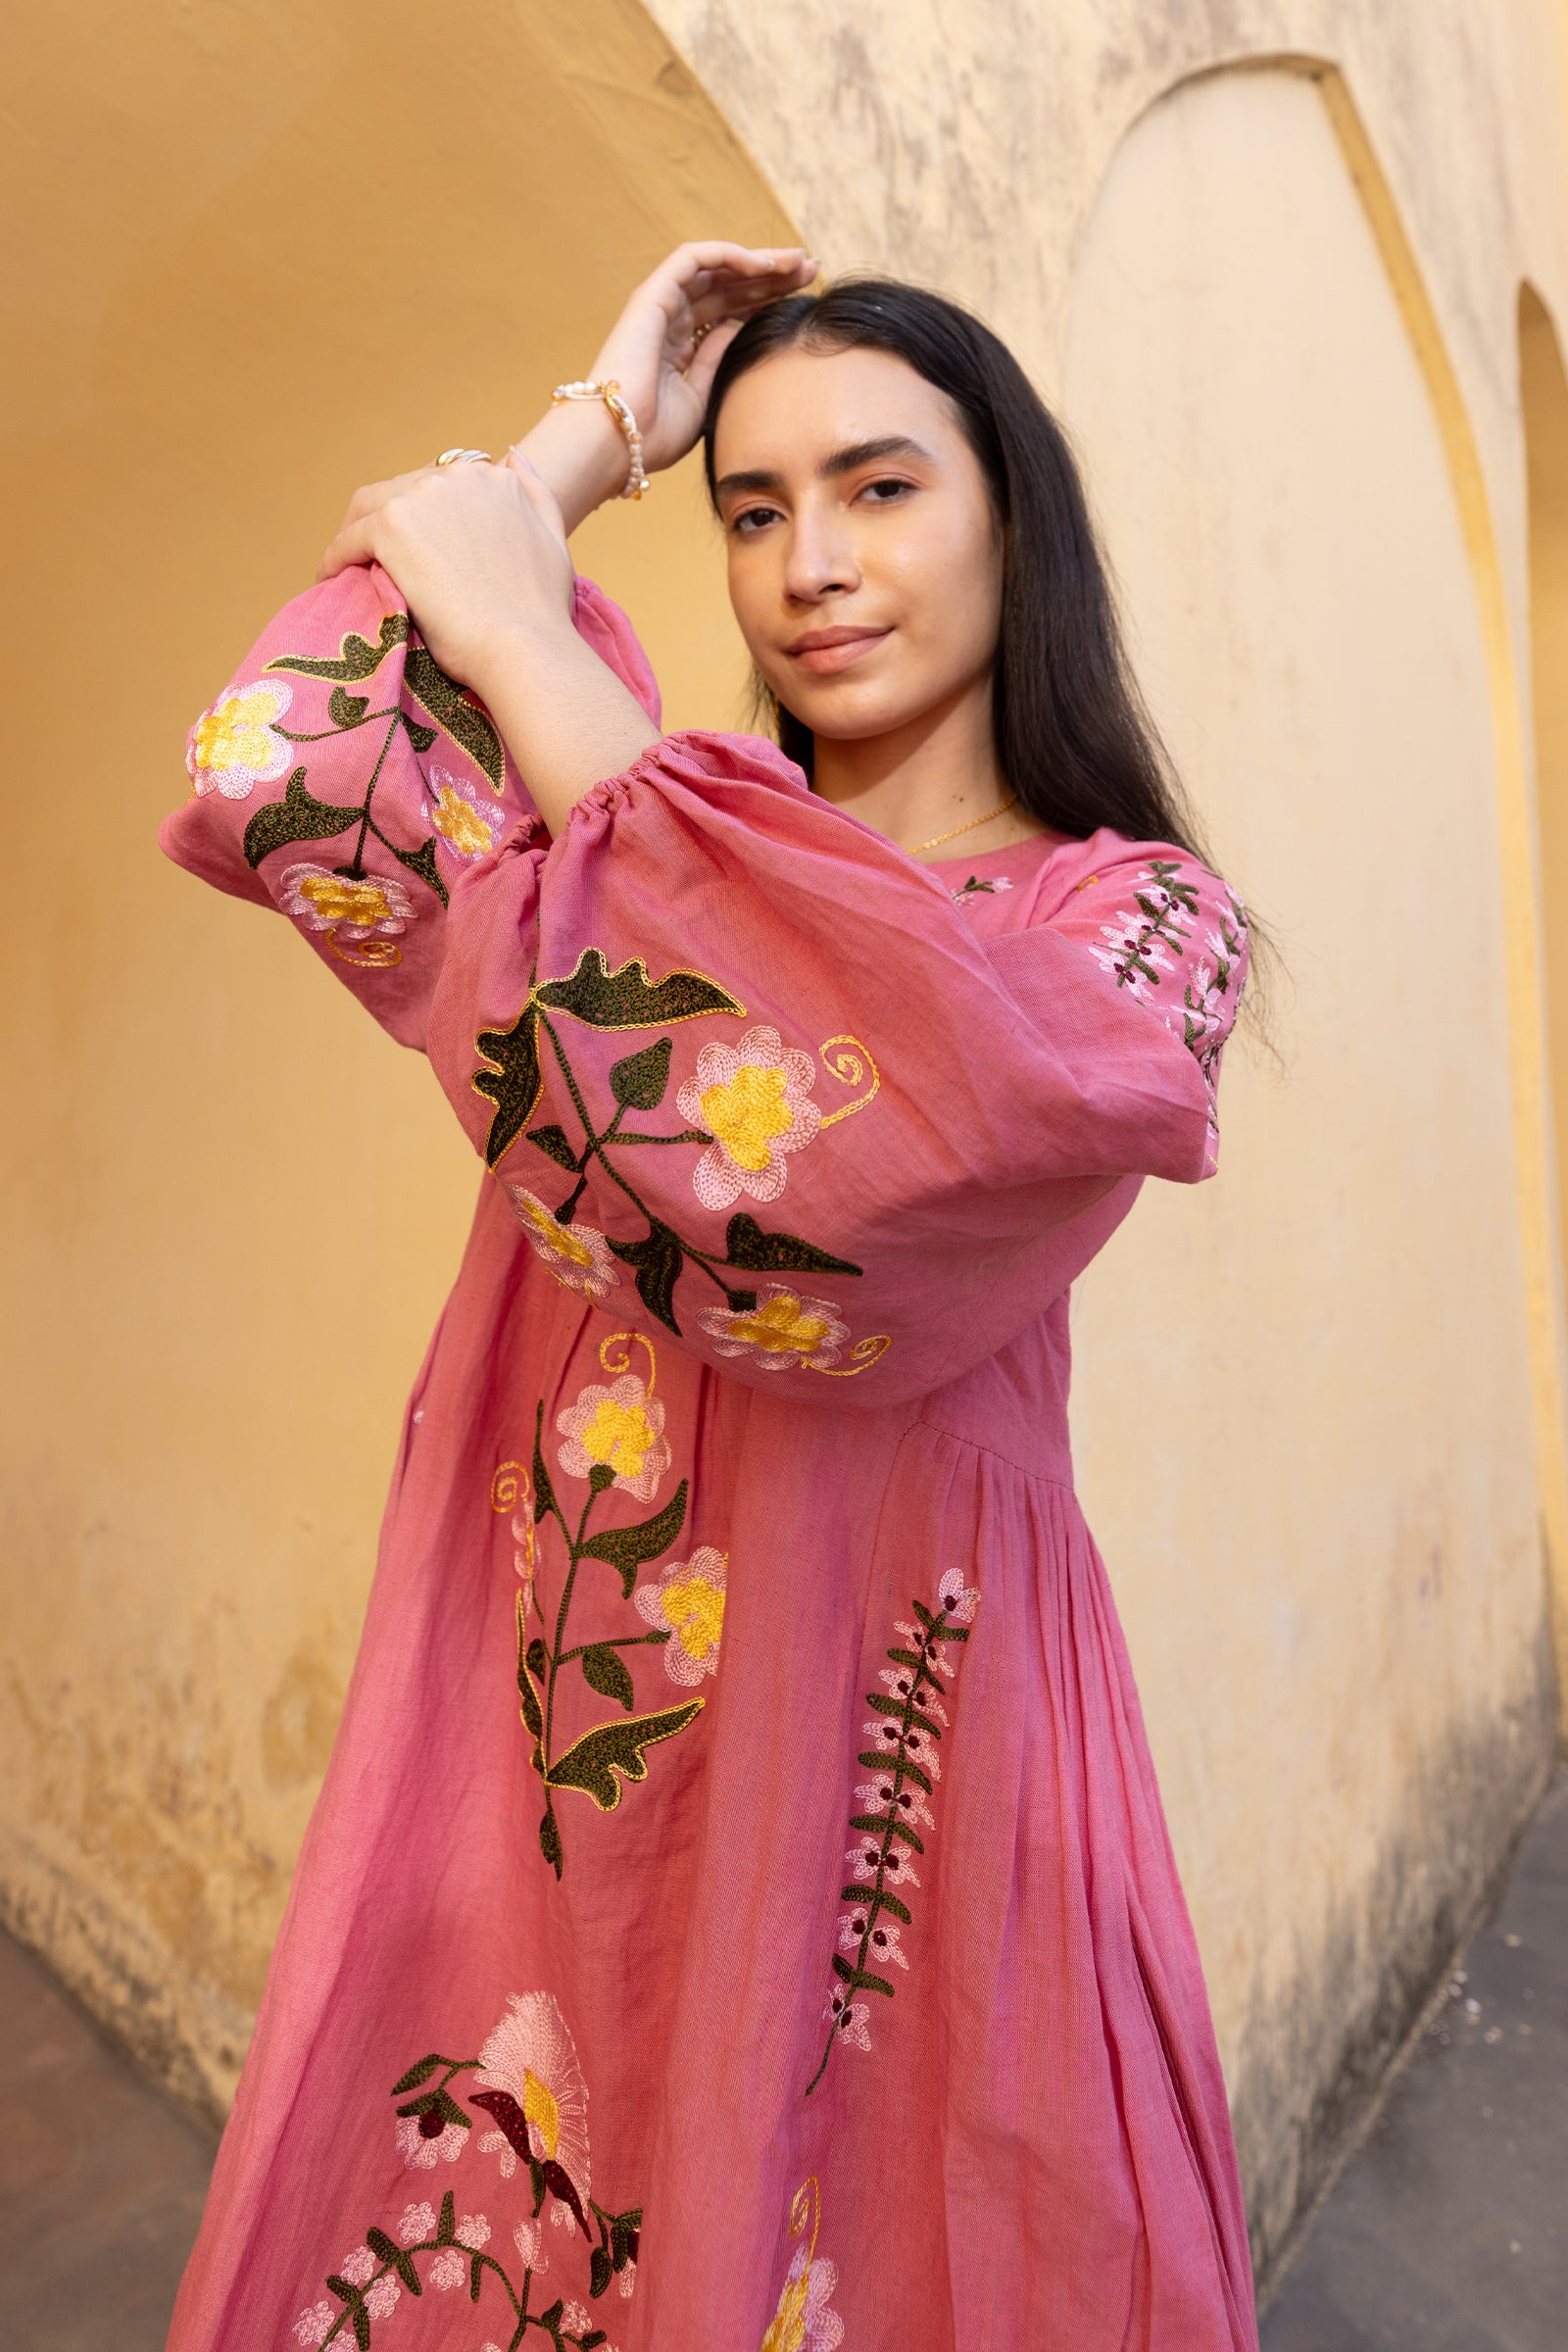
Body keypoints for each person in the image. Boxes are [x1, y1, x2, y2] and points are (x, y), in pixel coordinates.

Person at [163, 240, 1258, 2352]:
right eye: (752, 511)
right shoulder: (590, 870)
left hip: (890, 1772)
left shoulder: (1125, 931)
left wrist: (519, 636)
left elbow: (880, 1142)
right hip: (556, 1766)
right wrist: (581, 452)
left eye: (877, 489)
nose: (806, 566)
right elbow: (283, 751)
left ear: (1012, 520)